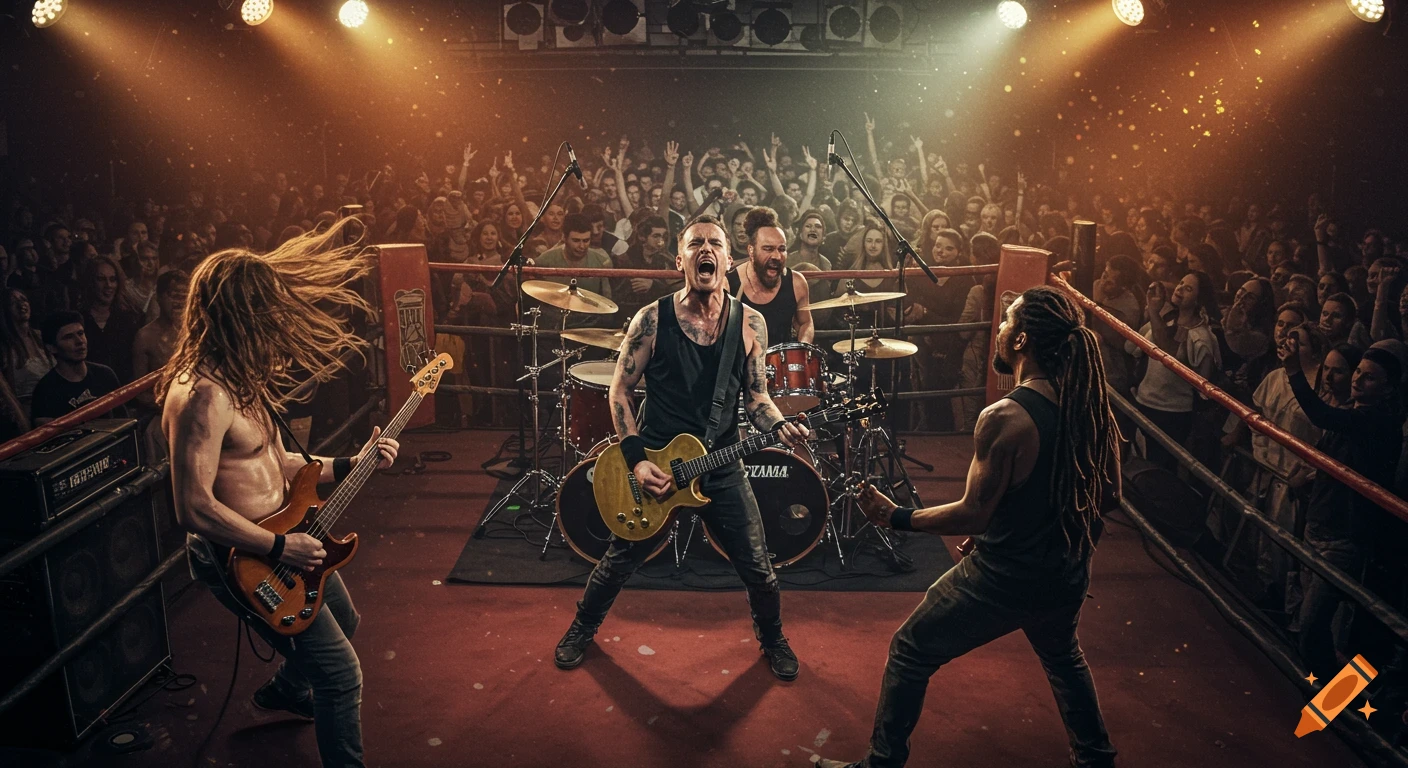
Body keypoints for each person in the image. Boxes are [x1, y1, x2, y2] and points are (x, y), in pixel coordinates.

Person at [817, 285, 1120, 768]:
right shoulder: (1089, 407)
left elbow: (972, 512)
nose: (998, 327)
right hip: (1064, 571)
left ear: (1021, 341)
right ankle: (1097, 760)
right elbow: (1109, 496)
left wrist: (894, 515)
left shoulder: (1005, 417)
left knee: (910, 650)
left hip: (1006, 576)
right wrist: (1068, 553)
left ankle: (881, 764)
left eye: (1006, 321)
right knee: (1064, 658)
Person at [160, 224, 399, 768]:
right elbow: (192, 507)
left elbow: (278, 461)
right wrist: (277, 548)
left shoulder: (241, 376)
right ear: (237, 316)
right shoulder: (202, 395)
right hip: (244, 560)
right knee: (341, 676)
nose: (277, 324)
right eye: (266, 314)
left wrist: (351, 464)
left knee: (349, 621)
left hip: (280, 540)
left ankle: (286, 691)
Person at [553, 214, 809, 681]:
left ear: (729, 261)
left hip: (720, 464)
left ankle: (773, 639)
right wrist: (636, 464)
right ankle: (581, 629)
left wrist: (780, 425)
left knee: (758, 566)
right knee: (617, 562)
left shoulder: (750, 323)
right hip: (657, 466)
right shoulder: (651, 319)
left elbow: (757, 398)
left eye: (715, 243)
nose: (705, 250)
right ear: (681, 260)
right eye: (695, 244)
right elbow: (619, 391)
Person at [726, 207, 814, 346]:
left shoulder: (796, 283)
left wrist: (802, 351)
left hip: (782, 364)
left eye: (782, 249)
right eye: (768, 249)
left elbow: (805, 323)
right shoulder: (729, 284)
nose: (776, 256)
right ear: (751, 250)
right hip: (741, 365)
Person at [30, 310, 122, 425]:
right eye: (68, 337)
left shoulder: (105, 374)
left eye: (81, 333)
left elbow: (124, 421)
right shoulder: (45, 390)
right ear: (52, 348)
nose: (79, 341)